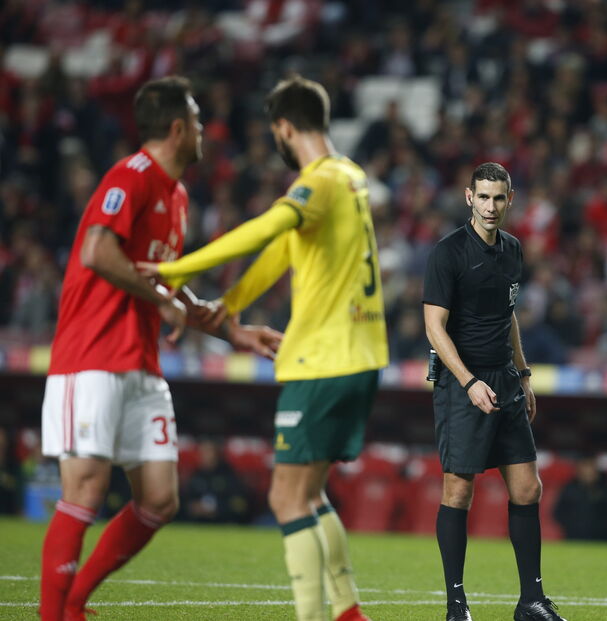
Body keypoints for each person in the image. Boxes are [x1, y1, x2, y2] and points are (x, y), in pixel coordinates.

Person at [39, 76, 283, 621]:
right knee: (85, 490)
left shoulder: (176, 195)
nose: (203, 131)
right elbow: (99, 252)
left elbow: (168, 287)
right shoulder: (132, 176)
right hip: (91, 356)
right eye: (197, 121)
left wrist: (233, 332)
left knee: (159, 498)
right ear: (177, 128)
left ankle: (76, 601)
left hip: (140, 365)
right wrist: (163, 301)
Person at [144, 76, 387, 621]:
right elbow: (282, 249)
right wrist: (231, 301)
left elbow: (264, 229)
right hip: (361, 357)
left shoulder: (318, 182)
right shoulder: (351, 178)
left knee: (285, 498)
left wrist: (172, 269)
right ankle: (348, 611)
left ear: (283, 127)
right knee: (311, 493)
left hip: (322, 360)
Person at [423, 162, 566, 621]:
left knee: (528, 488)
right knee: (458, 491)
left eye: (498, 198)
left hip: (504, 380)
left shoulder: (513, 251)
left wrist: (522, 375)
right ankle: (456, 606)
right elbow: (433, 326)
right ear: (469, 198)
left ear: (510, 199)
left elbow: (508, 317)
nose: (490, 206)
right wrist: (468, 382)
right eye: (482, 197)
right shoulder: (448, 253)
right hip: (461, 383)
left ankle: (531, 602)